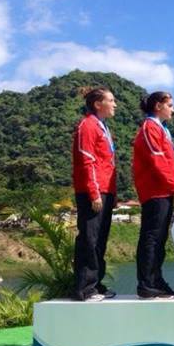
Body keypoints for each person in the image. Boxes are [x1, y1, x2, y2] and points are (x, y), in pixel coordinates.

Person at [133, 91, 174, 299]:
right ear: (157, 106)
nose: (173, 109)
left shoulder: (162, 129)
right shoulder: (150, 127)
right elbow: (157, 162)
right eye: (170, 105)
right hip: (155, 190)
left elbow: (169, 162)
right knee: (152, 237)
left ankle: (156, 279)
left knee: (160, 238)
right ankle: (146, 284)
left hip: (164, 190)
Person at [71, 85, 117, 302]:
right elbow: (86, 161)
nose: (115, 104)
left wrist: (112, 193)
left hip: (105, 190)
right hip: (93, 191)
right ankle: (85, 289)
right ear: (98, 104)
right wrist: (94, 192)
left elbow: (107, 163)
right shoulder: (88, 125)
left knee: (99, 240)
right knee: (89, 239)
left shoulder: (102, 126)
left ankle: (96, 284)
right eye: (111, 100)